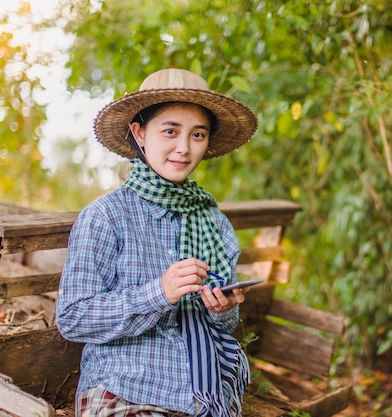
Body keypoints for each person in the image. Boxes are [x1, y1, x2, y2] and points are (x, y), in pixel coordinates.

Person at [56, 68, 258, 417]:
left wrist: (222, 308)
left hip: (203, 394)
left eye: (198, 134)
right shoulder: (107, 216)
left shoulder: (214, 223)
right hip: (124, 389)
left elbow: (223, 325)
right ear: (140, 133)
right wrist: (159, 293)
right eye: (170, 131)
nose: (184, 148)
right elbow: (73, 318)